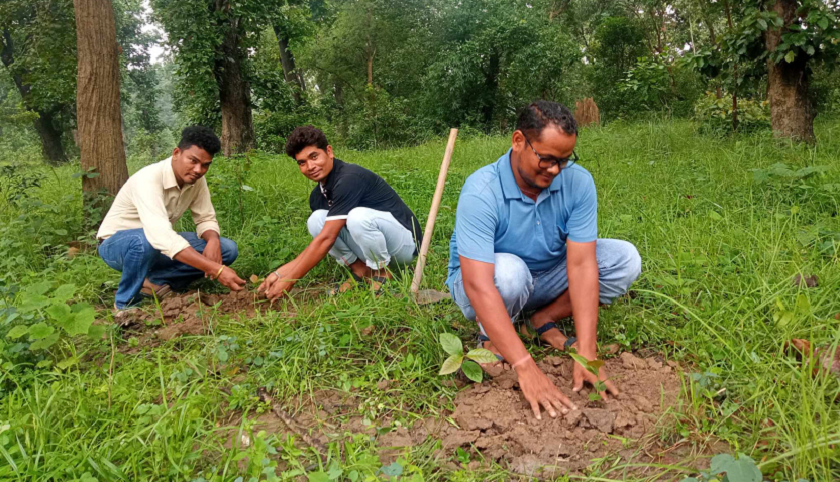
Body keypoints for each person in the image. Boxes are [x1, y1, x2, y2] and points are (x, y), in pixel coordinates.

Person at [446, 100, 641, 420]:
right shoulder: (481, 191)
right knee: (510, 274)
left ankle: (538, 321)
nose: (555, 170)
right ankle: (491, 338)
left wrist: (587, 353)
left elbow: (581, 264)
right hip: (488, 282)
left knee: (624, 258)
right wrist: (526, 367)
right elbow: (477, 283)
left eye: (564, 161)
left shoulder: (578, 183)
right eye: (547, 159)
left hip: (547, 273)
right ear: (518, 141)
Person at [97, 126, 245, 318]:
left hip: (156, 245)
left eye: (205, 165)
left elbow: (205, 217)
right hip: (117, 246)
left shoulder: (196, 181)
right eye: (193, 161)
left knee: (227, 249)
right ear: (176, 153)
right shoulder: (148, 179)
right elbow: (159, 235)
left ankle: (153, 282)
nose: (198, 170)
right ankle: (125, 304)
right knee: (144, 240)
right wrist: (215, 269)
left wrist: (213, 241)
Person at [259, 125, 422, 300]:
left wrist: (290, 278)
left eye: (314, 156)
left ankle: (381, 272)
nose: (310, 166)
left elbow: (327, 238)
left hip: (405, 245)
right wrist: (280, 273)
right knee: (316, 220)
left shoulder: (349, 178)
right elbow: (325, 237)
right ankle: (360, 270)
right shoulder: (317, 195)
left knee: (357, 217)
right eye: (302, 162)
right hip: (373, 244)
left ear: (329, 151)